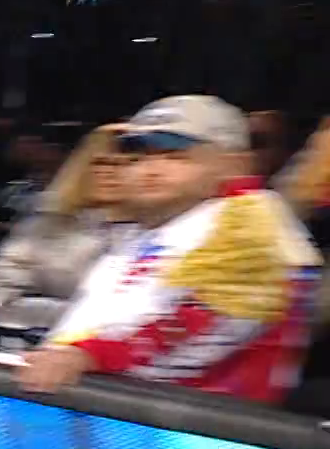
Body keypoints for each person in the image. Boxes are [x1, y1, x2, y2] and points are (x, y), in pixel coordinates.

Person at [19, 97, 321, 403]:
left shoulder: (252, 224)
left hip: (196, 421)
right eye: (137, 159)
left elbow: (209, 325)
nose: (150, 170)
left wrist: (87, 356)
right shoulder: (155, 227)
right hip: (110, 408)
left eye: (175, 157)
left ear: (233, 165)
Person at [0, 126, 134, 348]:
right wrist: (85, 318)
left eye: (124, 164)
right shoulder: (43, 227)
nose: (108, 172)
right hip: (36, 350)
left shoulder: (166, 236)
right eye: (100, 162)